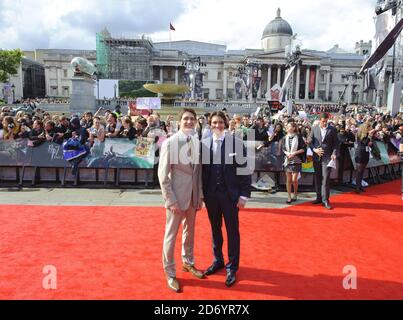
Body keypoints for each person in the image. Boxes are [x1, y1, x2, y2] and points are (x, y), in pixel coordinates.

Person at [201, 111, 251, 287]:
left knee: (232, 231)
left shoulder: (236, 144)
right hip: (211, 195)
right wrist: (201, 193)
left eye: (220, 122)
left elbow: (244, 170)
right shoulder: (204, 145)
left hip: (230, 196)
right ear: (209, 124)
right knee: (215, 229)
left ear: (225, 123)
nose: (217, 126)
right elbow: (202, 172)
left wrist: (244, 195)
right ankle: (218, 260)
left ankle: (232, 266)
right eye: (214, 123)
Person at [158, 108, 205, 293]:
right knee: (171, 235)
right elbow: (163, 175)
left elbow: (198, 172)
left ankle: (188, 262)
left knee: (190, 232)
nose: (189, 122)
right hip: (176, 198)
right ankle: (170, 273)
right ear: (179, 122)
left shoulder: (196, 142)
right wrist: (171, 200)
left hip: (193, 197)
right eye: (185, 119)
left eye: (192, 119)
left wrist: (199, 194)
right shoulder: (170, 143)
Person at [308, 112, 339, 210]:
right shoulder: (314, 128)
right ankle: (318, 198)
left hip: (327, 158)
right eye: (323, 121)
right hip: (316, 157)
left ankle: (325, 200)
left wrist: (334, 153)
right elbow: (310, 141)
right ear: (319, 120)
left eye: (326, 121)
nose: (325, 123)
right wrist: (315, 149)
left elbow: (336, 144)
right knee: (317, 178)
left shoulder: (332, 130)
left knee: (325, 179)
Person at [282, 122, 306, 204]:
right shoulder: (284, 137)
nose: (287, 128)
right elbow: (283, 148)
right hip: (288, 159)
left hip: (297, 160)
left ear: (294, 128)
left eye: (289, 126)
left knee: (294, 179)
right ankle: (289, 196)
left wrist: (294, 153)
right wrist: (288, 154)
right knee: (288, 179)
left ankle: (295, 194)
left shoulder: (299, 137)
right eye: (287, 126)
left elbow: (303, 149)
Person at [354, 122, 375, 194]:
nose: (370, 129)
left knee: (362, 171)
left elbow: (368, 143)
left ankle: (360, 186)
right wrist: (369, 136)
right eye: (368, 128)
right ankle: (357, 187)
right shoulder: (360, 134)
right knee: (359, 171)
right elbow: (364, 142)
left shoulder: (366, 135)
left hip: (366, 153)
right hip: (360, 153)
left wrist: (370, 138)